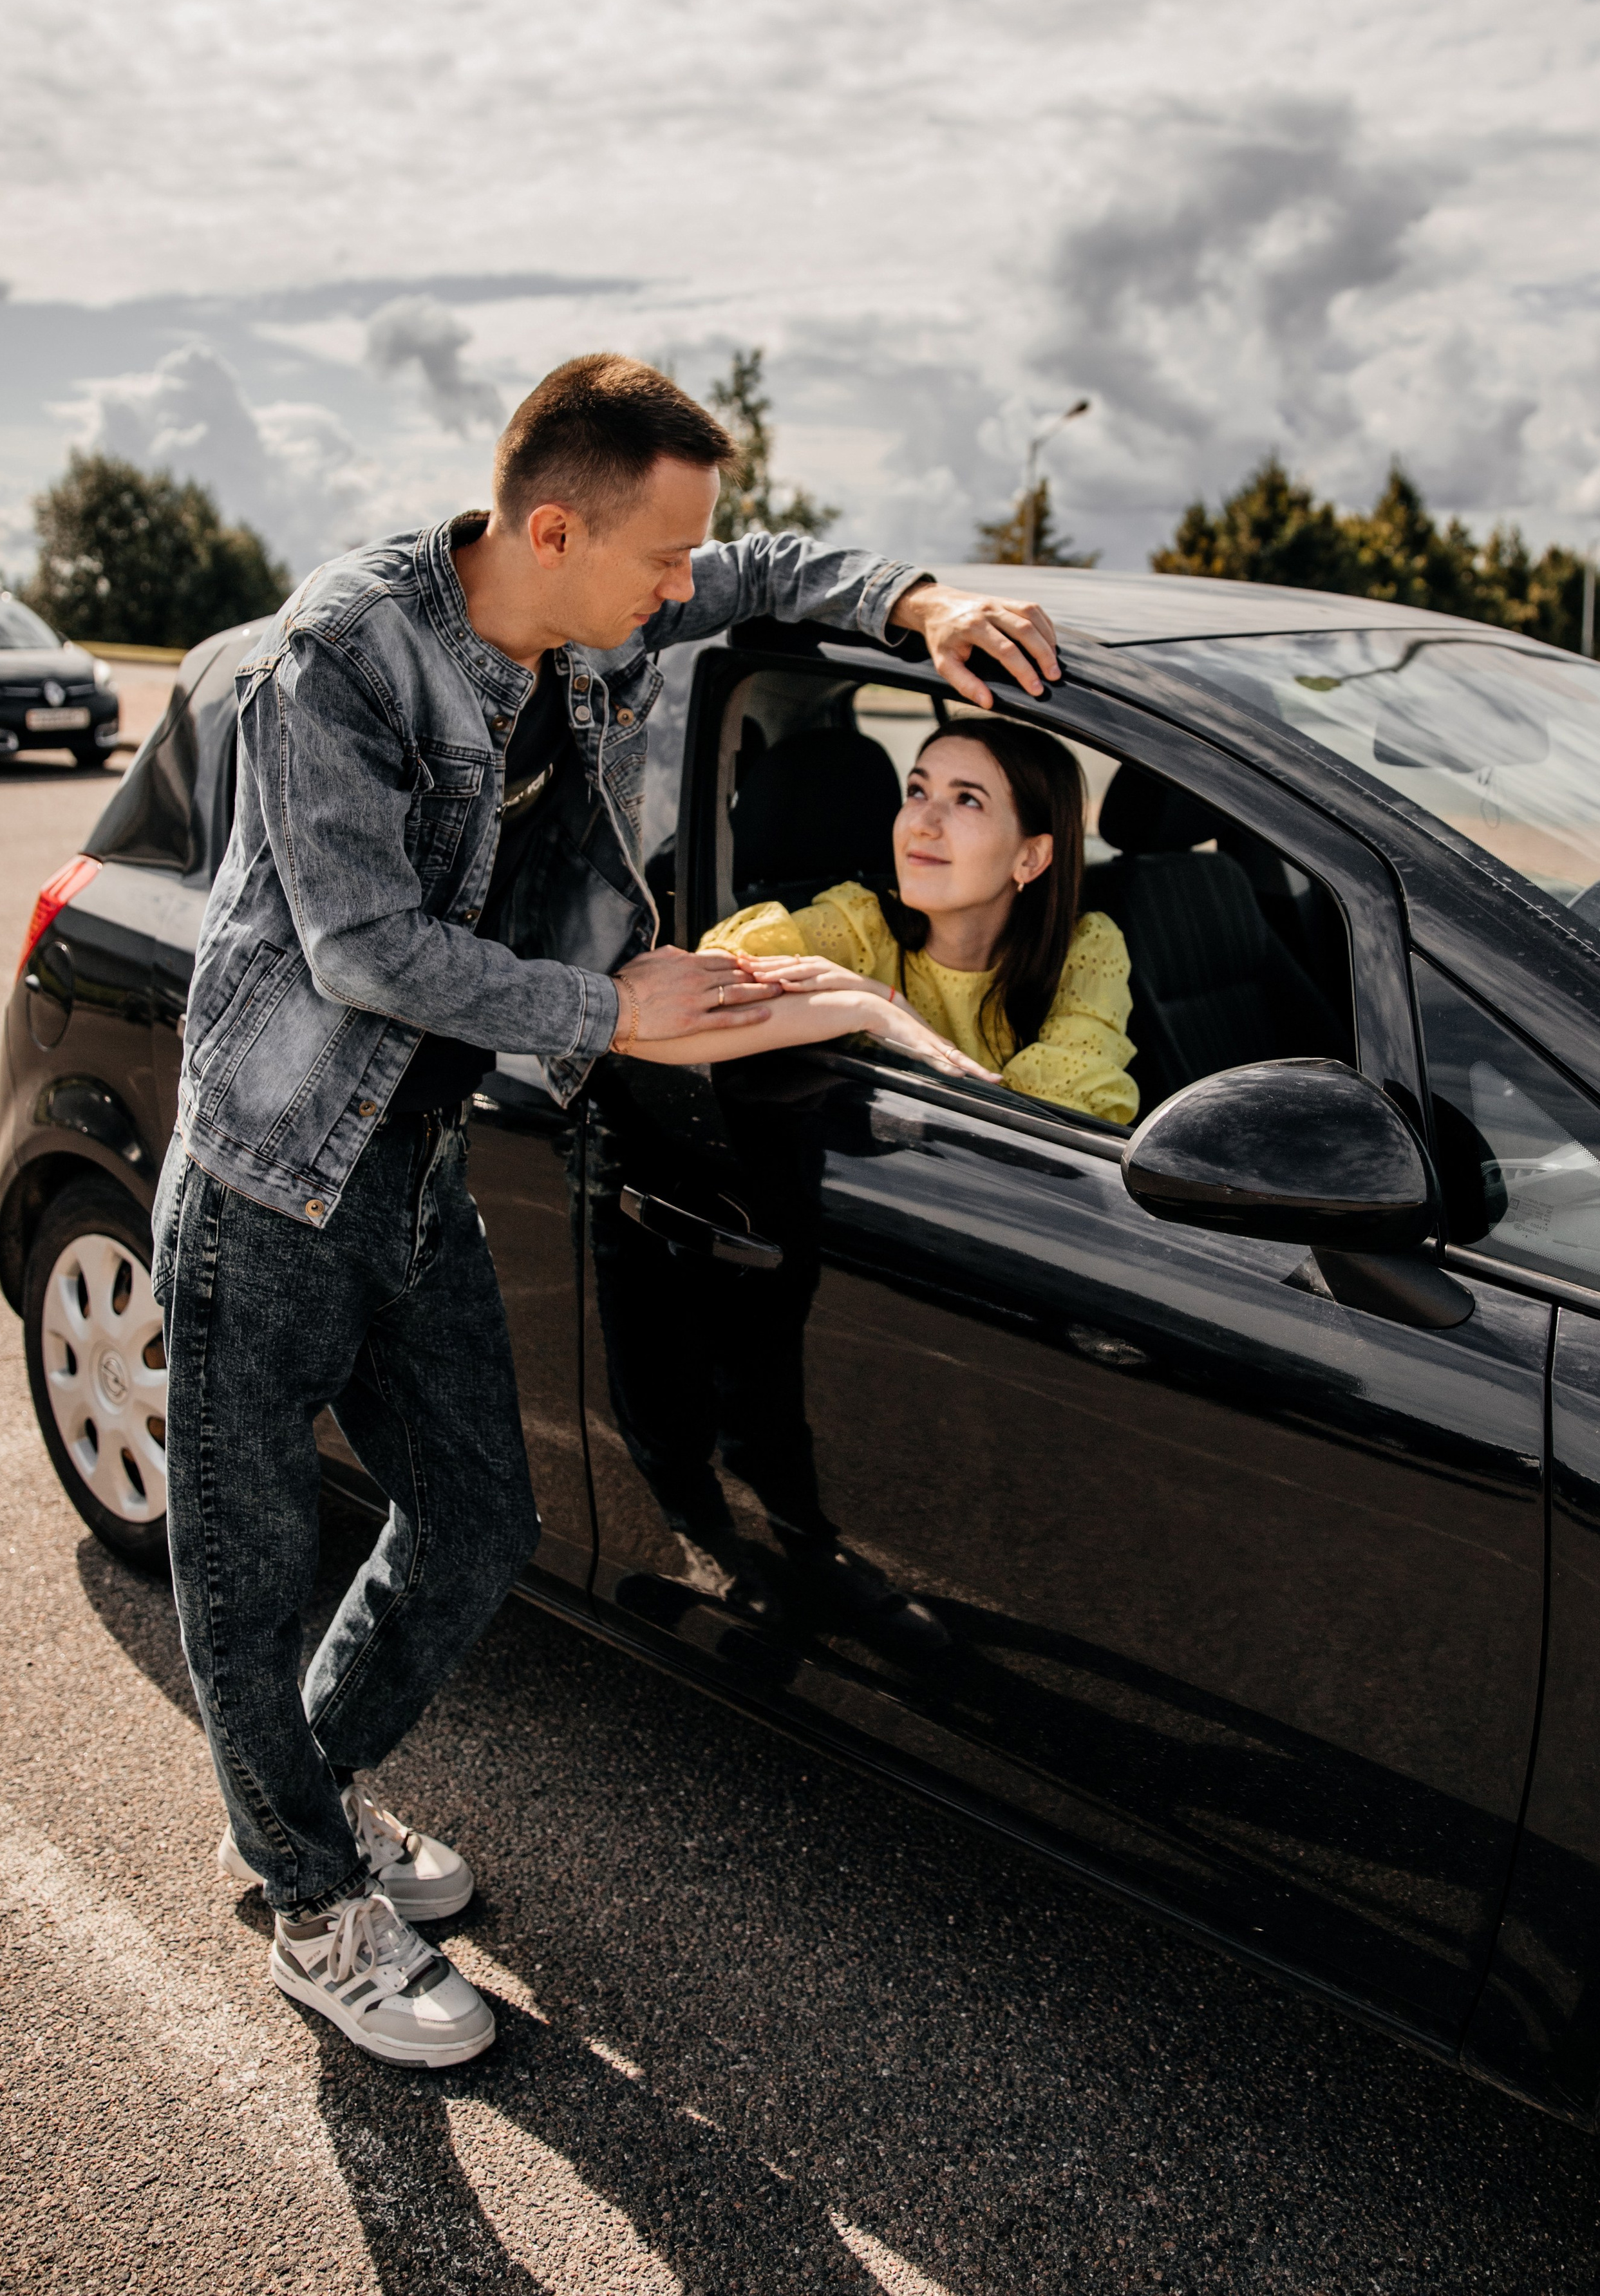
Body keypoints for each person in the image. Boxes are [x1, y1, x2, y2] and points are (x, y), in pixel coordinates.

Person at [151, 351, 1066, 2069]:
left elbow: (767, 568)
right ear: (552, 527)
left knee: (482, 1524)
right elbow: (361, 952)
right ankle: (305, 1901)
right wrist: (611, 1014)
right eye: (658, 563)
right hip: (275, 1179)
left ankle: (298, 1808)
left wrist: (916, 595)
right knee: (251, 1566)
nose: (680, 592)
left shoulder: (593, 592)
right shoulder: (336, 661)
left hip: (411, 1164)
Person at [630, 718, 1140, 1127]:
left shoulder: (1084, 947)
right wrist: (865, 1009)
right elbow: (659, 1022)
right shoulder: (859, 925)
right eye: (917, 791)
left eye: (967, 799)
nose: (920, 821)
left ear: (1030, 858)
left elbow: (1041, 1134)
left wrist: (896, 1011)